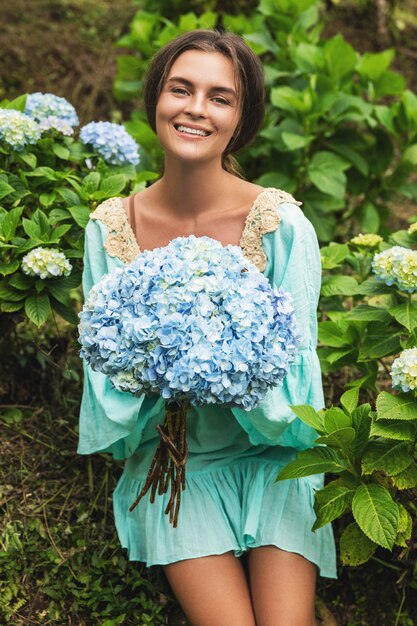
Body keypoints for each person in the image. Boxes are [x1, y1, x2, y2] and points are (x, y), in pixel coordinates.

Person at [78, 29, 336, 626]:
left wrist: (225, 366)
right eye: (181, 89)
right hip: (179, 467)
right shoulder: (111, 227)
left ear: (241, 119)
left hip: (276, 459)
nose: (196, 108)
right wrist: (167, 366)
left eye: (220, 97)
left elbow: (298, 376)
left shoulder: (280, 224)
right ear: (155, 101)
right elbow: (104, 378)